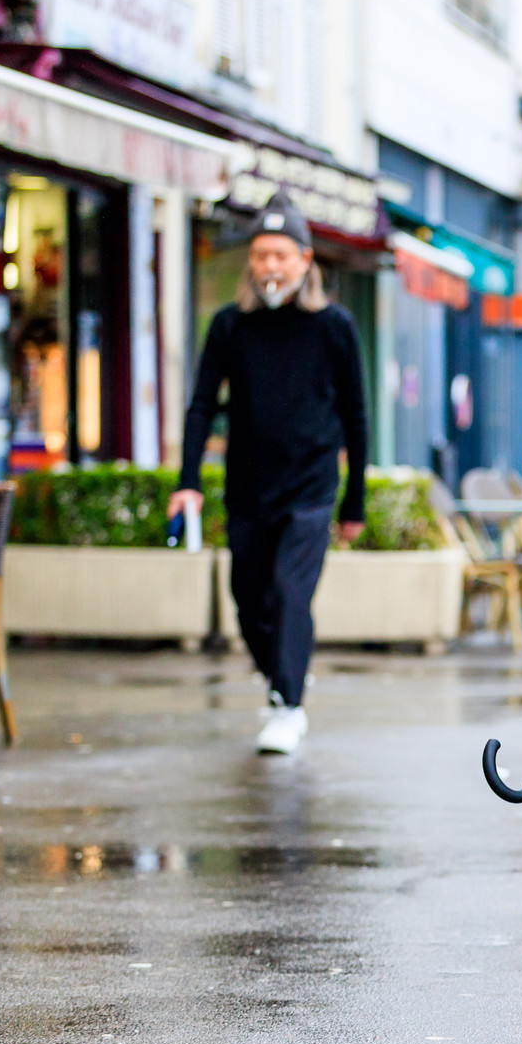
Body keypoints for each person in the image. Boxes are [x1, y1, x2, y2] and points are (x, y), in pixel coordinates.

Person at [170, 191, 368, 756]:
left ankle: (287, 704)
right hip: (248, 488)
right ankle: (282, 674)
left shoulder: (335, 327)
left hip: (310, 489)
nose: (269, 266)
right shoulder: (230, 326)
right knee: (248, 600)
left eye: (281, 254)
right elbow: (202, 405)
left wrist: (353, 503)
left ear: (306, 260)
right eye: (260, 255)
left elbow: (356, 416)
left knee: (288, 592)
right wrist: (187, 480)